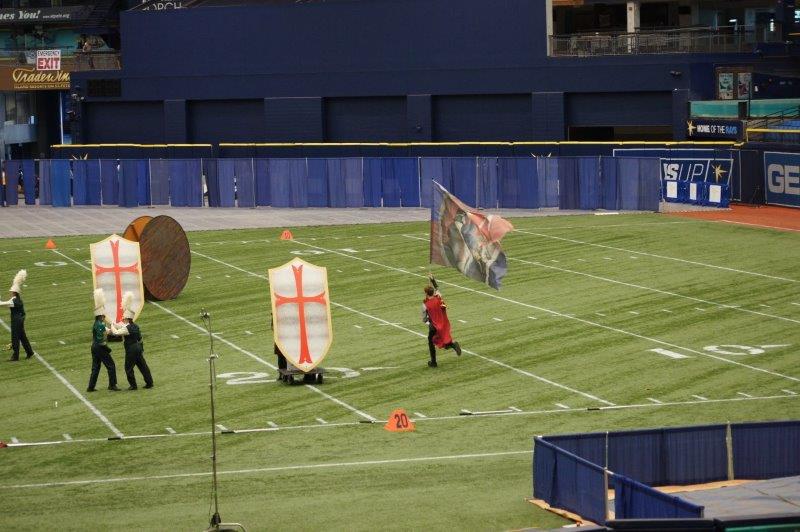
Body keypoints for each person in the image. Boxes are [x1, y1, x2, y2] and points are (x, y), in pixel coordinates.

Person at [110, 291, 153, 390]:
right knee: (143, 366)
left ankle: (133, 385)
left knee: (128, 368)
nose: (123, 319)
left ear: (127, 319)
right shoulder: (135, 326)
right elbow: (140, 338)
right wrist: (141, 348)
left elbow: (116, 332)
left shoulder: (127, 328)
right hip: (138, 348)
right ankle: (149, 382)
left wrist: (112, 325)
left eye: (124, 318)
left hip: (131, 350)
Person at [422, 275, 461, 367]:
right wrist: (433, 280)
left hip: (434, 326)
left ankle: (433, 362)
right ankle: (453, 345)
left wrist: (429, 321)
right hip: (443, 324)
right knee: (442, 341)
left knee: (431, 342)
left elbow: (424, 319)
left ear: (426, 293)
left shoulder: (425, 305)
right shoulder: (438, 297)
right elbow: (437, 289)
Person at [88, 289, 120, 391]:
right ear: (101, 315)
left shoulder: (97, 323)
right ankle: (112, 385)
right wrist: (107, 348)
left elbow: (106, 331)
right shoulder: (100, 324)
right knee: (111, 365)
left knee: (96, 367)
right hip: (99, 347)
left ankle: (91, 387)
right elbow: (101, 340)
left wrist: (112, 329)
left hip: (94, 347)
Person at [0, 270, 34, 361]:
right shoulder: (18, 299)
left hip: (16, 320)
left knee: (15, 337)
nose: (11, 292)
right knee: (22, 337)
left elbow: (3, 304)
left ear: (14, 292)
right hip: (20, 319)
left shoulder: (13, 301)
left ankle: (15, 356)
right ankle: (30, 352)